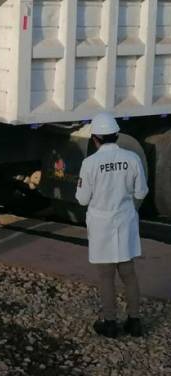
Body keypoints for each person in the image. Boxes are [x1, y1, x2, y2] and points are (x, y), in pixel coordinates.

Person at [75, 112, 149, 338]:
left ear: (95, 138)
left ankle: (110, 322)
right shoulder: (133, 159)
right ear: (116, 135)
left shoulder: (90, 163)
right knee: (129, 272)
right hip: (125, 220)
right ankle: (134, 321)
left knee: (106, 276)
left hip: (101, 224)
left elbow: (82, 199)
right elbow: (141, 192)